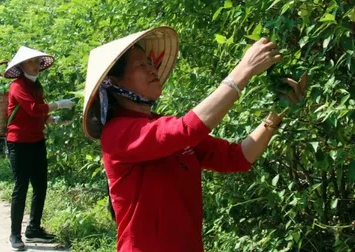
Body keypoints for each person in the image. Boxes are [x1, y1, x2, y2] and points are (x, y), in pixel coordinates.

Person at [82, 26, 308, 252]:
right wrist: (244, 70)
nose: (153, 69)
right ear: (115, 82)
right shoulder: (118, 133)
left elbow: (237, 157)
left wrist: (278, 111)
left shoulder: (160, 126)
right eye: (141, 65)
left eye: (151, 63)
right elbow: (187, 129)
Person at [3, 46, 75, 250]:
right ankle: (14, 234)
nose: (35, 66)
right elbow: (33, 109)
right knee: (21, 187)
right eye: (31, 62)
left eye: (37, 62)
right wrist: (59, 104)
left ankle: (33, 228)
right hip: (19, 142)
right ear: (21, 66)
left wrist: (54, 119)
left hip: (36, 141)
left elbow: (39, 114)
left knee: (41, 185)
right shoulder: (17, 86)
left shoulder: (36, 86)